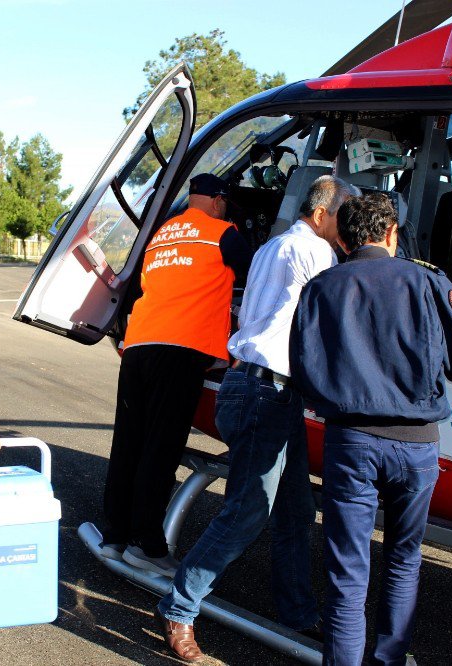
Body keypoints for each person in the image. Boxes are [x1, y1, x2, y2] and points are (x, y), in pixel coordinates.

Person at [291, 193, 452, 666]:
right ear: (391, 234)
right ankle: (389, 660)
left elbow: (304, 372)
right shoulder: (428, 281)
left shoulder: (321, 287)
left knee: (347, 572)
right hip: (416, 448)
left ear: (344, 239)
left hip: (349, 443)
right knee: (404, 560)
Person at [154, 175, 356, 662]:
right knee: (246, 511)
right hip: (266, 390)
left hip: (258, 389)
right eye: (344, 213)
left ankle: (296, 612)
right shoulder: (317, 254)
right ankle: (179, 608)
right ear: (323, 212)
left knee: (292, 511)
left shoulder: (274, 245)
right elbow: (323, 326)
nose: (347, 224)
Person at [100, 173, 253, 578]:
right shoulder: (224, 232)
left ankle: (114, 532)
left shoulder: (162, 232)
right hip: (181, 349)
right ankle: (148, 545)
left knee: (129, 441)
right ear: (219, 201)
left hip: (138, 345)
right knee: (161, 447)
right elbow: (256, 281)